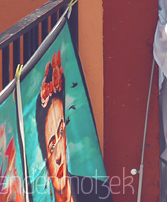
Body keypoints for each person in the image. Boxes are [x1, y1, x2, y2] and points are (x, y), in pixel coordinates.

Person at [34, 52, 112, 202]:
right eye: (51, 146)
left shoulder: (96, 191)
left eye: (61, 132)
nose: (58, 157)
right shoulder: (36, 196)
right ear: (44, 155)